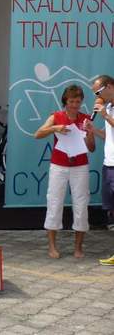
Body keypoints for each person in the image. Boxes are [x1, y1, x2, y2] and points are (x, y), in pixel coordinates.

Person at [35, 84, 95, 259]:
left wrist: (90, 133)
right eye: (71, 101)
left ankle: (78, 247)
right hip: (59, 166)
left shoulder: (86, 119)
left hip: (80, 166)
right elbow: (37, 134)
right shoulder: (56, 116)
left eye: (78, 101)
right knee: (54, 202)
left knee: (81, 205)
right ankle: (52, 246)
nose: (75, 105)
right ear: (65, 101)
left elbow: (92, 148)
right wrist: (55, 128)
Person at [84, 75, 114, 265]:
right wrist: (93, 130)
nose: (97, 97)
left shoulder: (107, 111)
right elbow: (109, 135)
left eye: (98, 92)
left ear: (109, 86)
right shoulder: (109, 108)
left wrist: (105, 116)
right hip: (108, 164)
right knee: (112, 211)